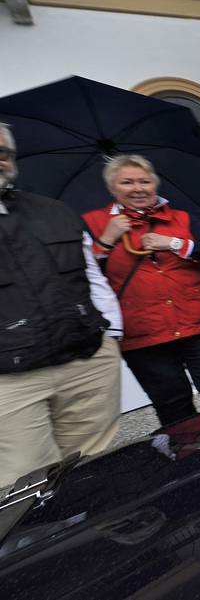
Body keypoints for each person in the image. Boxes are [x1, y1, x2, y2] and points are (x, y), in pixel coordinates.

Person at [0, 125, 123, 487]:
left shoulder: (54, 211)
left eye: (3, 152)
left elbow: (91, 278)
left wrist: (111, 337)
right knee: (25, 484)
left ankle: (94, 535)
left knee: (90, 470)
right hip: (10, 380)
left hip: (85, 363)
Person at [82, 155, 200, 427]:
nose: (138, 188)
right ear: (112, 189)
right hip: (143, 335)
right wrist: (106, 240)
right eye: (127, 182)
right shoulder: (92, 223)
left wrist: (175, 243)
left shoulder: (182, 218)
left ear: (155, 184)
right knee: (174, 408)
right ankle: (192, 464)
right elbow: (83, 277)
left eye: (145, 180)